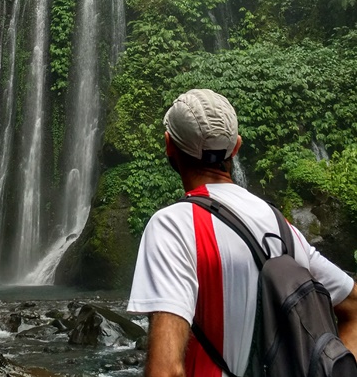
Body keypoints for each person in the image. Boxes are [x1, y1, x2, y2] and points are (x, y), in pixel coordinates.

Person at [127, 88, 357, 377]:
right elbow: (354, 305)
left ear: (168, 144)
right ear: (236, 147)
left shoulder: (172, 226)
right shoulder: (282, 227)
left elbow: (165, 370)